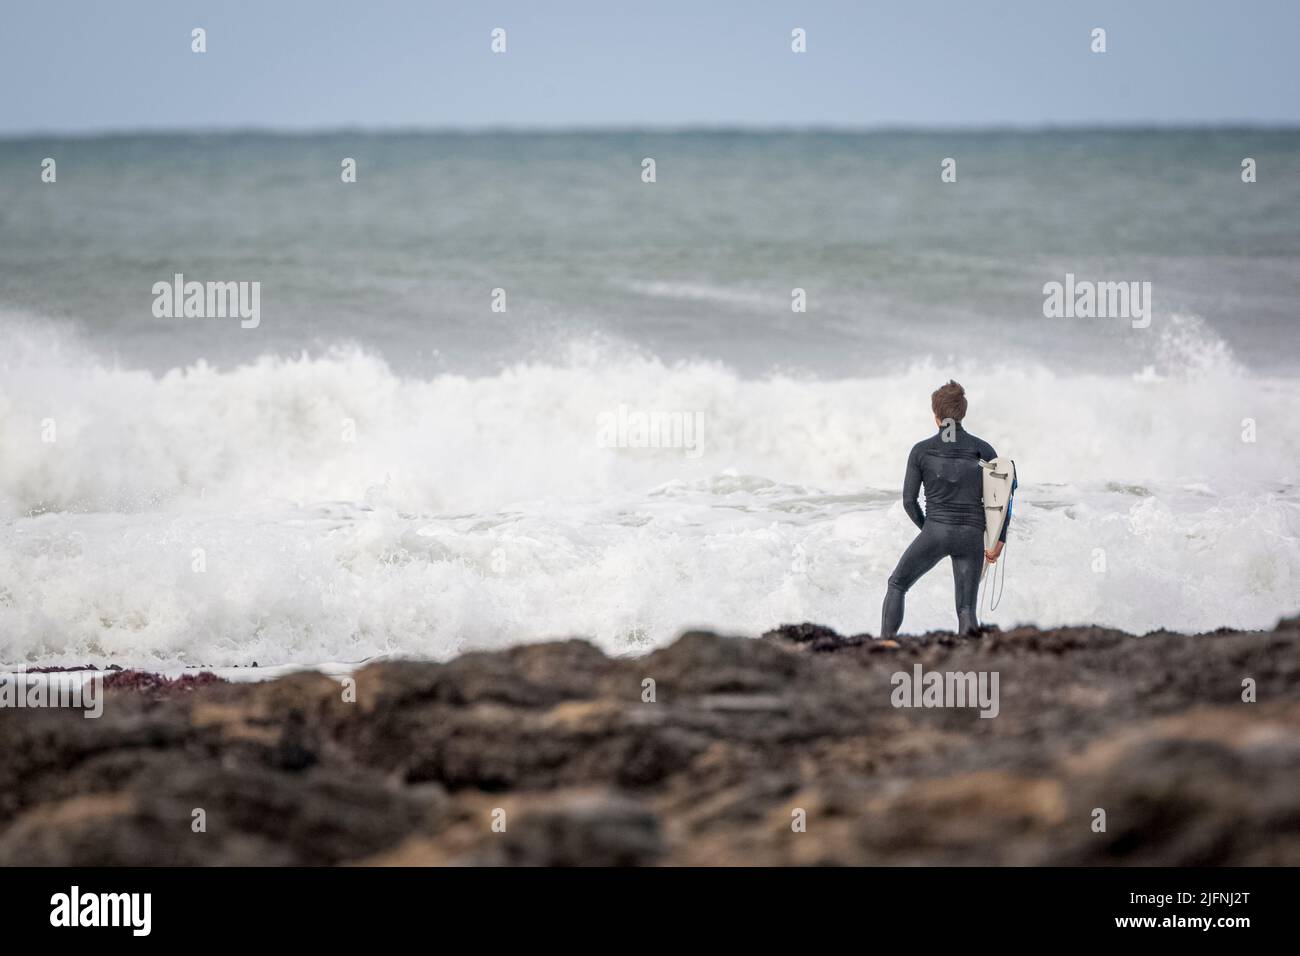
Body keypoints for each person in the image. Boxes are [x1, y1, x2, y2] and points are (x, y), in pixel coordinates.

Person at [880, 380, 1011, 638]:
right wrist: (999, 539)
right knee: (966, 608)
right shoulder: (984, 450)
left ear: (935, 415)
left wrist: (931, 530)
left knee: (897, 584)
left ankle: (885, 645)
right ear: (962, 413)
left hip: (936, 532)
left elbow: (909, 502)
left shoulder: (921, 451)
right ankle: (969, 660)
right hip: (971, 537)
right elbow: (1002, 500)